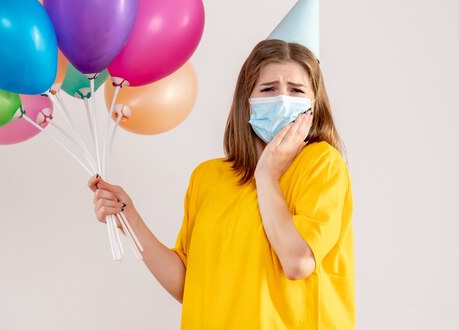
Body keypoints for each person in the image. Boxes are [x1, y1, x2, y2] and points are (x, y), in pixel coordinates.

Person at [88, 39, 355, 329]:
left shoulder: (321, 164)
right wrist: (131, 220)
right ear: (247, 100)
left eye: (296, 90)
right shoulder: (207, 177)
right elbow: (190, 285)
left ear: (314, 105)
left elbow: (297, 262)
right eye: (269, 89)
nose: (282, 99)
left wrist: (266, 174)